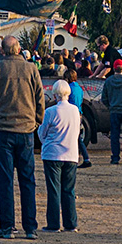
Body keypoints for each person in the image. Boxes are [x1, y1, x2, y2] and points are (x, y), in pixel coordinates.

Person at [0, 34, 43, 239]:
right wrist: (37, 120)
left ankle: (7, 226)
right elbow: (39, 97)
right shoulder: (31, 69)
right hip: (25, 130)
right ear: (18, 50)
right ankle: (30, 227)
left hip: (2, 130)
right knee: (27, 180)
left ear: (2, 51)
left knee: (5, 180)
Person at [39, 79, 80, 233]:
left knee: (54, 190)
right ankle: (70, 223)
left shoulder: (50, 111)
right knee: (69, 190)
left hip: (52, 154)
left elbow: (42, 133)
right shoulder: (75, 110)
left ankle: (53, 223)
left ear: (55, 94)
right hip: (71, 154)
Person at [102, 60, 122, 166]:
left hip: (114, 111)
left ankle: (115, 157)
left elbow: (104, 98)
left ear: (114, 68)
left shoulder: (108, 81)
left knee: (114, 135)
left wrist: (110, 106)